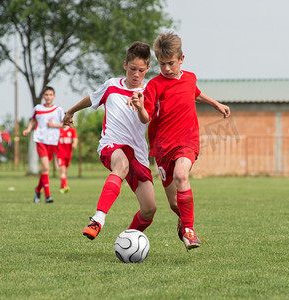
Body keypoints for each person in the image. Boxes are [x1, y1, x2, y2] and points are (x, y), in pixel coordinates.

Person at [129, 32, 230, 251]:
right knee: (175, 203)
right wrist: (139, 107)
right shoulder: (154, 86)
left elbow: (195, 93)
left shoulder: (190, 77)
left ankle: (189, 231)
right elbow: (146, 117)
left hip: (187, 140)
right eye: (162, 64)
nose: (166, 68)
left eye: (171, 63)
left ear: (182, 59)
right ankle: (183, 221)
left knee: (181, 175)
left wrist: (217, 105)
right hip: (162, 147)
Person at [63, 41, 156, 240]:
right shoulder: (112, 85)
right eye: (132, 69)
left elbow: (145, 118)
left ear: (148, 68)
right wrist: (71, 111)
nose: (136, 74)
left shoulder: (149, 91)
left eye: (141, 70)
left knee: (149, 209)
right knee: (121, 165)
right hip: (111, 145)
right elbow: (92, 98)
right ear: (125, 65)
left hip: (138, 154)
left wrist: (140, 106)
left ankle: (129, 240)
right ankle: (97, 220)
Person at [23, 86, 65, 203]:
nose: (48, 97)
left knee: (45, 170)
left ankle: (37, 190)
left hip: (52, 141)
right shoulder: (38, 108)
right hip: (40, 139)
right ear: (43, 96)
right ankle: (48, 196)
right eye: (46, 95)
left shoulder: (58, 109)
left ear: (54, 96)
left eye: (50, 95)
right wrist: (28, 129)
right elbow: (33, 120)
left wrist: (54, 125)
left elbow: (64, 124)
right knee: (46, 167)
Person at [57, 125, 78, 194]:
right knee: (63, 171)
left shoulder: (72, 130)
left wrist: (74, 143)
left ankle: (62, 187)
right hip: (60, 154)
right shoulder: (58, 130)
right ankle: (65, 185)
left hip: (68, 154)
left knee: (65, 171)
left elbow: (75, 138)